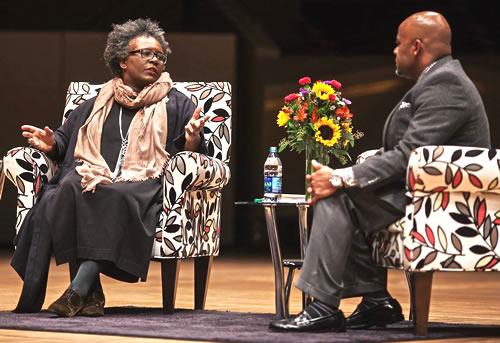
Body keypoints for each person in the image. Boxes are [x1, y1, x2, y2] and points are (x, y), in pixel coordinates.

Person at [270, 11, 491, 332]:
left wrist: (340, 177)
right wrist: (354, 172)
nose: (394, 51)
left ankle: (323, 306)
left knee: (337, 196)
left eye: (398, 44)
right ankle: (376, 302)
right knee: (346, 194)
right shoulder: (438, 79)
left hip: (444, 204)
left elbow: (410, 154)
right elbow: (408, 152)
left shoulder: (447, 83)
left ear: (416, 47)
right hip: (424, 194)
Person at [11, 18, 209, 317]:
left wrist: (192, 138)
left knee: (114, 195)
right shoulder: (96, 103)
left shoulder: (176, 103)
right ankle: (89, 294)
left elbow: (189, 153)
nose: (155, 60)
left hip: (142, 186)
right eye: (145, 53)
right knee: (67, 188)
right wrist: (51, 144)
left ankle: (77, 290)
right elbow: (66, 140)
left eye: (160, 56)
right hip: (93, 178)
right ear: (121, 60)